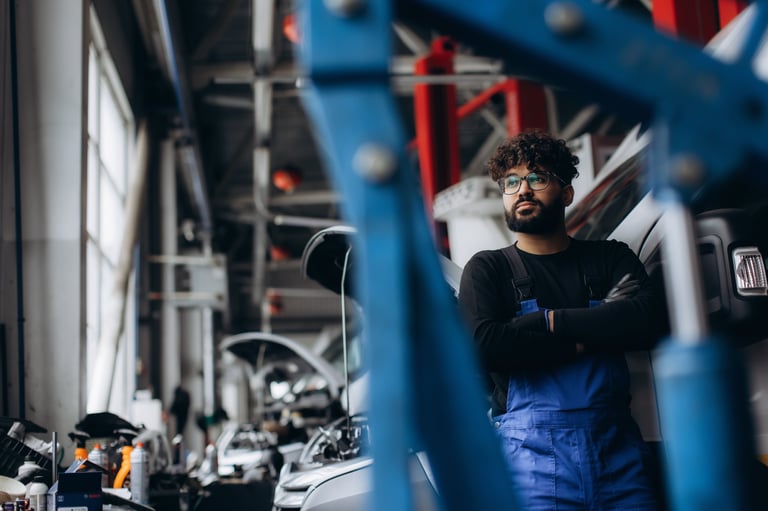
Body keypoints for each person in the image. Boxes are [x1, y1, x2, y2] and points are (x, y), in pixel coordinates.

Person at [458, 130, 667, 510]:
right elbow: (483, 346)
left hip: (618, 454)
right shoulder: (489, 269)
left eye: (537, 178)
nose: (523, 189)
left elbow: (648, 321)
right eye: (511, 182)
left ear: (567, 193)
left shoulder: (610, 258)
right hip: (531, 463)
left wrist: (547, 321)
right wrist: (592, 333)